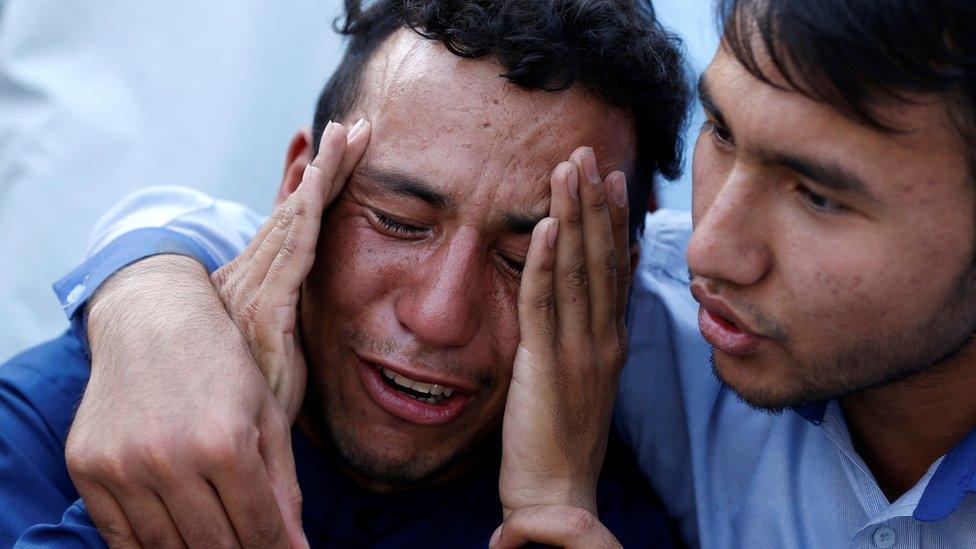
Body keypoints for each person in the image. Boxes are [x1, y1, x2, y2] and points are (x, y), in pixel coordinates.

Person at [43, 0, 976, 547]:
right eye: (722, 136)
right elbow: (279, 236)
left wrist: (557, 513)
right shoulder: (629, 302)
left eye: (819, 196)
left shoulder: (619, 347)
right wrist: (152, 306)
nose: (707, 251)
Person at [0, 0, 689, 547]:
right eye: (396, 220)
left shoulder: (614, 524)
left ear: (615, 281)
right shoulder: (43, 429)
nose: (440, 315)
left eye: (523, 261)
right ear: (299, 190)